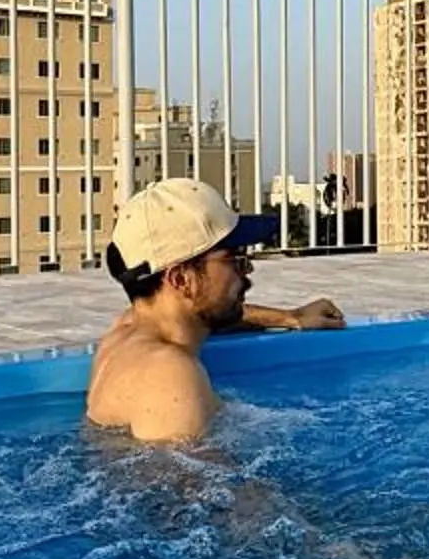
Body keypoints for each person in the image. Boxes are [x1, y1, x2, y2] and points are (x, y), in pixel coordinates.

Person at [85, 176, 345, 445]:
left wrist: (292, 317)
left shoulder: (127, 329)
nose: (248, 269)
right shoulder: (169, 375)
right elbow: (193, 483)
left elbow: (216, 315)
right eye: (234, 258)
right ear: (181, 280)